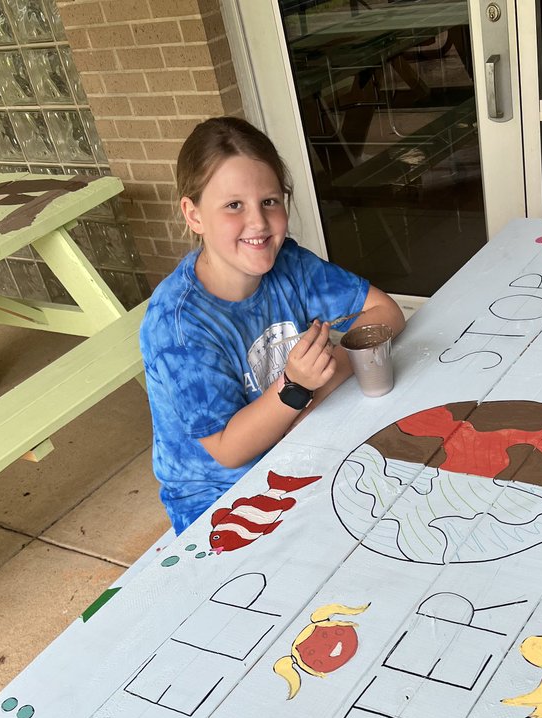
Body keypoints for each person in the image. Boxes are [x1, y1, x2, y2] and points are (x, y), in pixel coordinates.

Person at [140, 116, 406, 535]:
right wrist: (297, 388)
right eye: (234, 205)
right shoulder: (177, 327)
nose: (259, 223)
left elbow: (385, 312)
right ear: (194, 215)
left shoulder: (290, 265)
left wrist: (316, 386)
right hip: (224, 505)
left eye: (269, 201)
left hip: (300, 448)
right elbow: (228, 450)